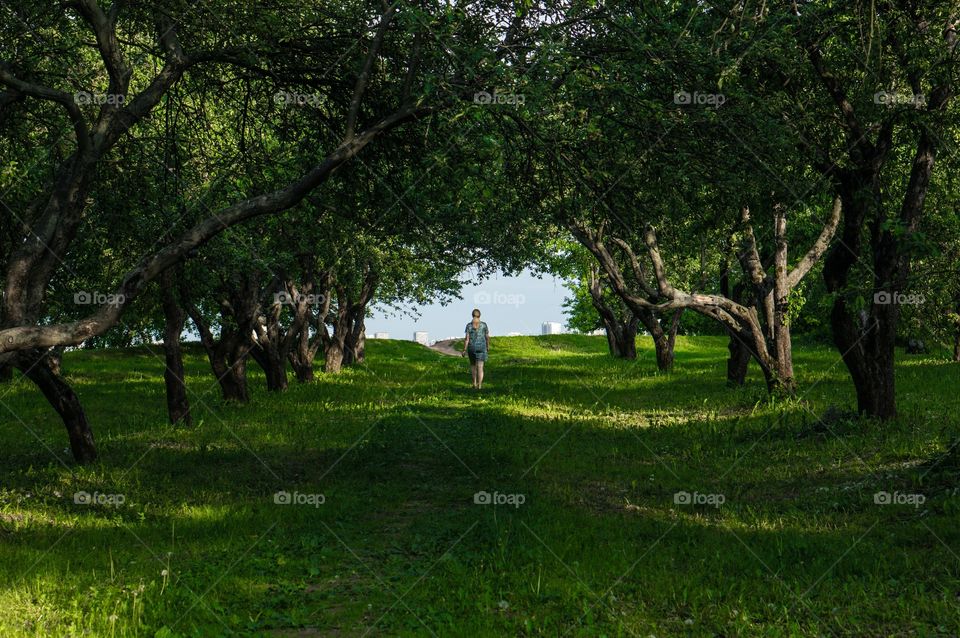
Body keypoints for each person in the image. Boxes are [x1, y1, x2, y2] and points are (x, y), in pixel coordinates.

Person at [462, 308, 490, 389]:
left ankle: (474, 384)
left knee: (473, 366)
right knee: (480, 367)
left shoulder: (469, 325)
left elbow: (467, 339)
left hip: (471, 348)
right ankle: (480, 385)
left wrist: (464, 350)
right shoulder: (484, 325)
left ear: (472, 315)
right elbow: (487, 337)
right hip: (481, 348)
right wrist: (488, 346)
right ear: (480, 315)